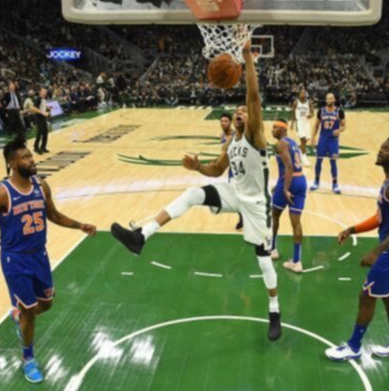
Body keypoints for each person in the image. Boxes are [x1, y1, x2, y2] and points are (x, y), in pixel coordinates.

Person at [111, 42, 282, 340]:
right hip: (233, 191)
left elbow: (253, 96)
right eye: (238, 111)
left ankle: (274, 310)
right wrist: (197, 168)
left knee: (263, 258)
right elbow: (217, 170)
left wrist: (246, 60)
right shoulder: (232, 143)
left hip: (255, 203)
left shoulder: (256, 136)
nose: (242, 112)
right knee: (192, 193)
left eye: (245, 111)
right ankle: (141, 236)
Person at [0, 138, 96, 383]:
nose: (31, 160)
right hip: (15, 260)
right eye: (25, 157)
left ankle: (19, 316)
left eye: (31, 155)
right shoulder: (1, 194)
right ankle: (28, 358)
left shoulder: (41, 186)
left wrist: (79, 225)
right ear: (12, 163)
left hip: (40, 256)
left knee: (45, 305)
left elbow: (53, 215)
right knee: (30, 312)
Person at [326, 137, 389, 361]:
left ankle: (354, 346)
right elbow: (380, 218)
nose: (380, 150)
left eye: (386, 148)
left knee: (367, 295)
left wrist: (377, 251)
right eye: (381, 146)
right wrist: (352, 229)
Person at [270, 119, 307, 273]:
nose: (272, 130)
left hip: (288, 182)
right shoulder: (293, 142)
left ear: (283, 129)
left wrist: (284, 188)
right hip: (301, 181)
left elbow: (289, 167)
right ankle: (297, 262)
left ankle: (272, 250)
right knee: (296, 223)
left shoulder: (281, 144)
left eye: (275, 127)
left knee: (275, 215)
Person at [311, 93, 346, 194]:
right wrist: (313, 138)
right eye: (327, 98)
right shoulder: (321, 111)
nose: (329, 100)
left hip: (333, 140)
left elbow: (344, 125)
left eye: (331, 98)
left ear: (334, 99)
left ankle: (335, 184)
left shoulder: (340, 111)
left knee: (333, 161)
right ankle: (316, 181)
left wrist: (339, 130)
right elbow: (316, 125)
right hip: (323, 139)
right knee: (318, 160)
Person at [220, 112, 244, 230]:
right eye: (222, 121)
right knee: (236, 196)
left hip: (243, 168)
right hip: (232, 169)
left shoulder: (238, 134)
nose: (223, 123)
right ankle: (242, 217)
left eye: (226, 121)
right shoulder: (222, 136)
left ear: (231, 123)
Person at [291, 90, 313, 167]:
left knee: (305, 141)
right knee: (303, 139)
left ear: (306, 94)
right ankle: (304, 159)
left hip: (306, 123)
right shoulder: (296, 102)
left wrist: (310, 115)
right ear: (299, 94)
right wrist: (292, 123)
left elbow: (312, 112)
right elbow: (293, 113)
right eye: (301, 93)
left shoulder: (309, 102)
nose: (303, 94)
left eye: (304, 93)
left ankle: (300, 153)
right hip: (299, 122)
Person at [31, 88, 51, 155]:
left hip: (43, 118)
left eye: (45, 91)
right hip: (39, 118)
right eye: (43, 91)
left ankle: (43, 147)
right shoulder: (38, 99)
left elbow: (42, 106)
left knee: (45, 132)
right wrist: (43, 113)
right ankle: (36, 147)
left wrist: (47, 108)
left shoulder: (44, 99)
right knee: (39, 133)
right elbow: (33, 108)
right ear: (40, 92)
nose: (45, 92)